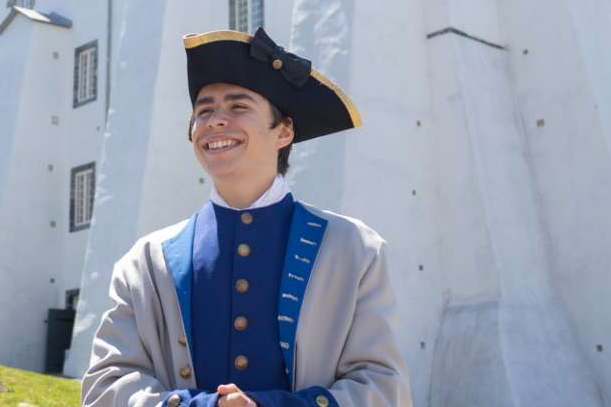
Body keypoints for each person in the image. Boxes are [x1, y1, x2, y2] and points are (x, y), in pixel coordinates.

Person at [82, 28, 410, 407]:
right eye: (203, 111)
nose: (215, 121)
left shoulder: (356, 249)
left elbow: (385, 388)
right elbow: (105, 387)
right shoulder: (145, 263)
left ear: (284, 131)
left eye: (238, 107)